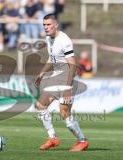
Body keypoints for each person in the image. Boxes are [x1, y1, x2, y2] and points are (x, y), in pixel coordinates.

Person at [35, 13, 89, 151]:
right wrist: (42, 72)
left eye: (48, 25)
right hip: (56, 77)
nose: (46, 27)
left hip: (67, 79)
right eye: (44, 25)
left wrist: (67, 89)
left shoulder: (64, 40)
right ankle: (52, 138)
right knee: (40, 105)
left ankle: (82, 141)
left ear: (56, 25)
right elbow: (51, 58)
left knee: (64, 114)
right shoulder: (49, 38)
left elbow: (72, 65)